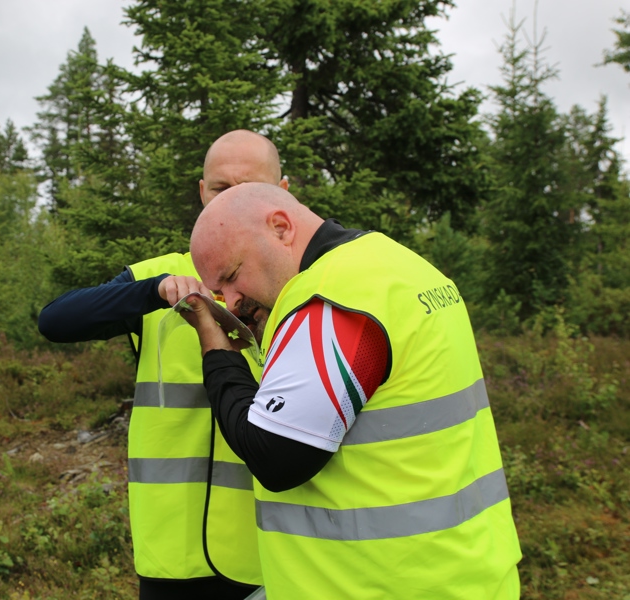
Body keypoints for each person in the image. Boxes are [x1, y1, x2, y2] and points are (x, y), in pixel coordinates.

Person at [182, 183, 522, 599]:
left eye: (232, 276)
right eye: (218, 291)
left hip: (375, 583)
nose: (231, 302)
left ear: (281, 227)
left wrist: (218, 351)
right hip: (465, 568)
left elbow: (275, 457)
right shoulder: (396, 264)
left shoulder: (332, 302)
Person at [37, 131, 288, 600]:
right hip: (173, 553)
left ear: (283, 193)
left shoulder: (303, 284)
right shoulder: (160, 275)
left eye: (248, 187)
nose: (231, 200)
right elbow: (55, 320)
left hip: (272, 548)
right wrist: (152, 292)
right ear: (200, 193)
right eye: (219, 188)